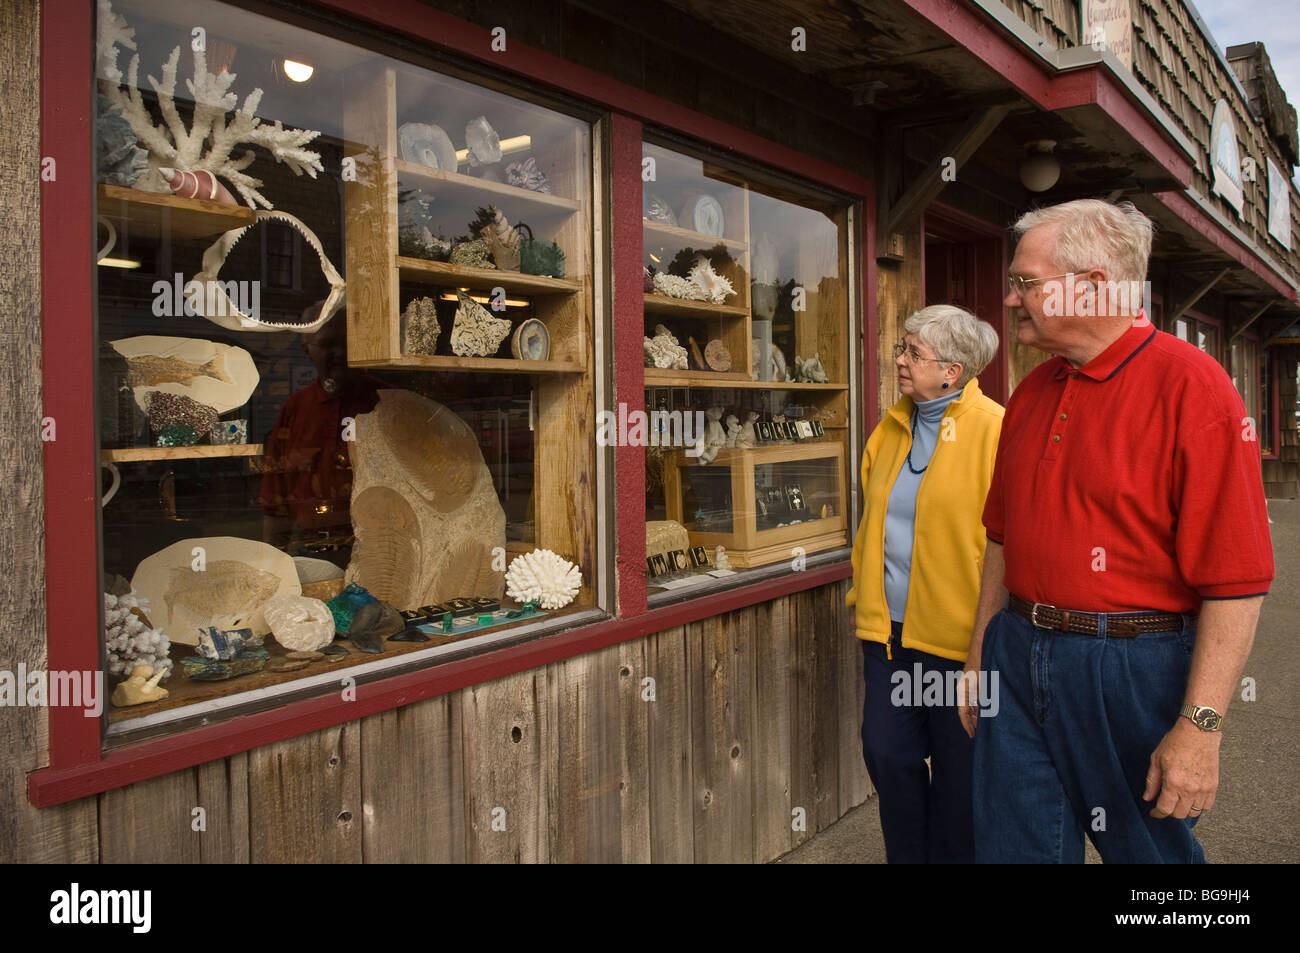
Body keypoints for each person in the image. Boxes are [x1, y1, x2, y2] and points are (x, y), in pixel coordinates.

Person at [961, 199, 1274, 863]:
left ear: (1095, 284)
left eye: (1026, 282)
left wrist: (1202, 725)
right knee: (1011, 848)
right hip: (1016, 651)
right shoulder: (1031, 389)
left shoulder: (1195, 387)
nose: (1011, 299)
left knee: (1150, 861)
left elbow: (1238, 581)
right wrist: (978, 655)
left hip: (1130, 664)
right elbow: (1001, 537)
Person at [846, 304, 1003, 863]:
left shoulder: (996, 432)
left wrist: (985, 648)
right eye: (902, 348)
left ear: (952, 370)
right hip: (887, 639)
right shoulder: (890, 429)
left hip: (961, 647)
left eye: (913, 352)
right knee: (888, 757)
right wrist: (861, 600)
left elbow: (1006, 550)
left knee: (962, 783)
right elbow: (871, 527)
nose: (899, 360)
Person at [260, 302, 388, 566]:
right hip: (311, 548)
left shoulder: (389, 403)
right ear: (307, 351)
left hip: (383, 546)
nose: (340, 353)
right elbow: (274, 495)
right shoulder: (295, 410)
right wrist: (272, 566)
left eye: (347, 342)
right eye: (328, 344)